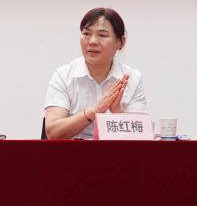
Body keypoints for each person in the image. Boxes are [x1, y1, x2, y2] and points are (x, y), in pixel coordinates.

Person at [44, 7, 147, 140]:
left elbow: (141, 138)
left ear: (121, 42)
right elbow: (53, 132)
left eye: (102, 35)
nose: (92, 41)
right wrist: (94, 111)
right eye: (86, 34)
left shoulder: (132, 78)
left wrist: (118, 112)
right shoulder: (63, 76)